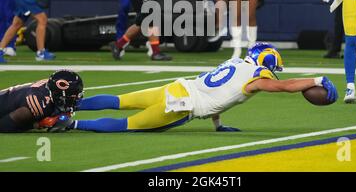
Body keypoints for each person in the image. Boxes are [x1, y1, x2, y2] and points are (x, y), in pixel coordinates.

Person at [60, 43, 337, 133]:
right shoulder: (257, 76)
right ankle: (68, 124)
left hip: (178, 87)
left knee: (120, 100)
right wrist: (316, 81)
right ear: (266, 64)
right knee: (126, 124)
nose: (272, 76)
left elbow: (218, 91)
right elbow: (285, 87)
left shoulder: (236, 62)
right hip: (183, 106)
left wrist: (218, 124)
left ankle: (68, 102)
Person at [0, 70, 83, 132]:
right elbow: (4, 125)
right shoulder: (39, 104)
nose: (77, 99)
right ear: (60, 96)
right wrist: (38, 124)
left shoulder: (50, 88)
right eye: (73, 96)